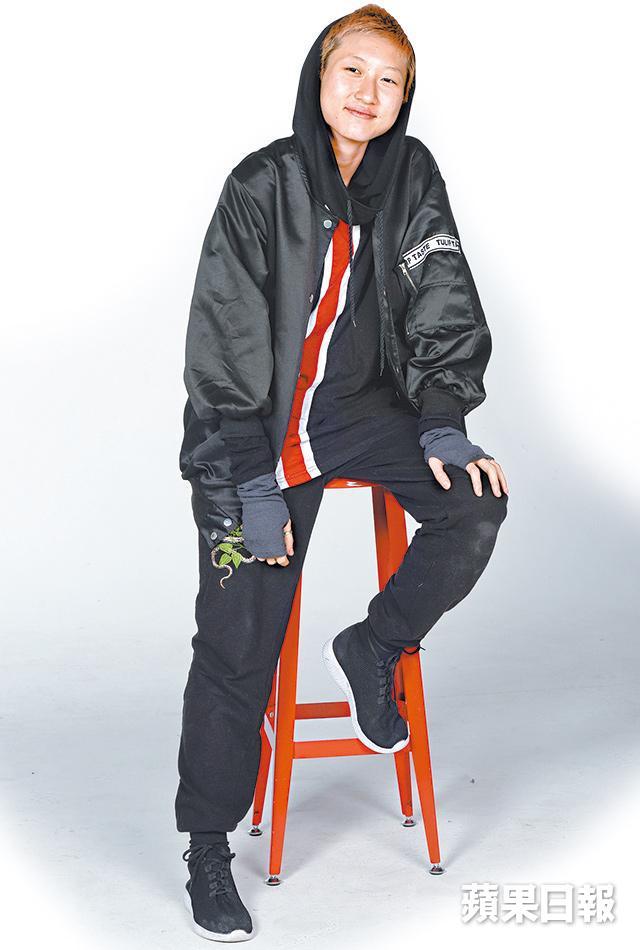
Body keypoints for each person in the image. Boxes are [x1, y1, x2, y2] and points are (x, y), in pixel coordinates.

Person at [175, 5, 509, 941]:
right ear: (318, 77)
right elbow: (225, 338)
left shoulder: (412, 175)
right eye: (352, 70)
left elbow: (441, 290)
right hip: (254, 433)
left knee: (476, 506)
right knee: (239, 644)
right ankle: (207, 844)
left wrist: (443, 420)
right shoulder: (262, 184)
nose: (369, 92)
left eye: (389, 79)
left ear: (406, 97)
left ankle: (374, 646)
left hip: (362, 415)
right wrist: (250, 481)